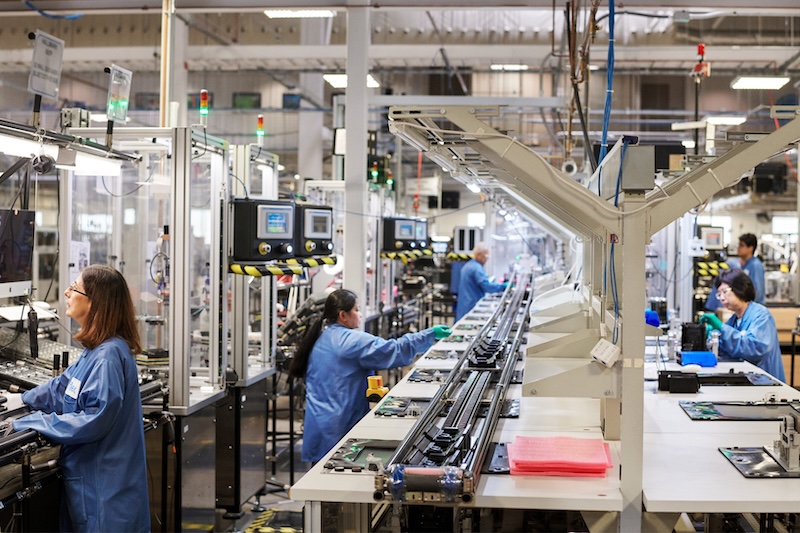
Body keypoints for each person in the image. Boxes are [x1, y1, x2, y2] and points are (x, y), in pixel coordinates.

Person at [11, 265, 150, 532]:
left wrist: (34, 422)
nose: (66, 292)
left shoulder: (108, 356)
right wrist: (21, 399)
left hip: (106, 492)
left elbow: (93, 420)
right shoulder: (98, 350)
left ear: (95, 301)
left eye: (74, 287)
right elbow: (63, 388)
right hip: (94, 485)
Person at [289, 289, 451, 464]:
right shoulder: (350, 341)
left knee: (319, 478)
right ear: (343, 315)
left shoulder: (320, 337)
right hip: (339, 427)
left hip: (319, 426)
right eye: (357, 310)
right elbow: (393, 349)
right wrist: (429, 334)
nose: (360, 314)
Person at [700, 269, 785, 382]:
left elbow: (753, 349)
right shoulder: (735, 319)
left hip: (765, 384)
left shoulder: (761, 316)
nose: (722, 298)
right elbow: (727, 347)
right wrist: (710, 337)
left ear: (740, 288)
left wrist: (721, 327)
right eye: (719, 294)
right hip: (748, 380)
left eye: (725, 292)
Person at [705, 233, 765, 311]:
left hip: (751, 309)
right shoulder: (738, 264)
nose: (738, 248)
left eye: (742, 245)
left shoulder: (755, 265)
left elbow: (758, 292)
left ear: (750, 248)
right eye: (738, 245)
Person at [455, 242, 508, 321]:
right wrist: (503, 286)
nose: (487, 258)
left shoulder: (468, 265)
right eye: (486, 255)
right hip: (471, 307)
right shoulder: (476, 268)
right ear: (479, 255)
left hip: (464, 306)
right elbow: (487, 286)